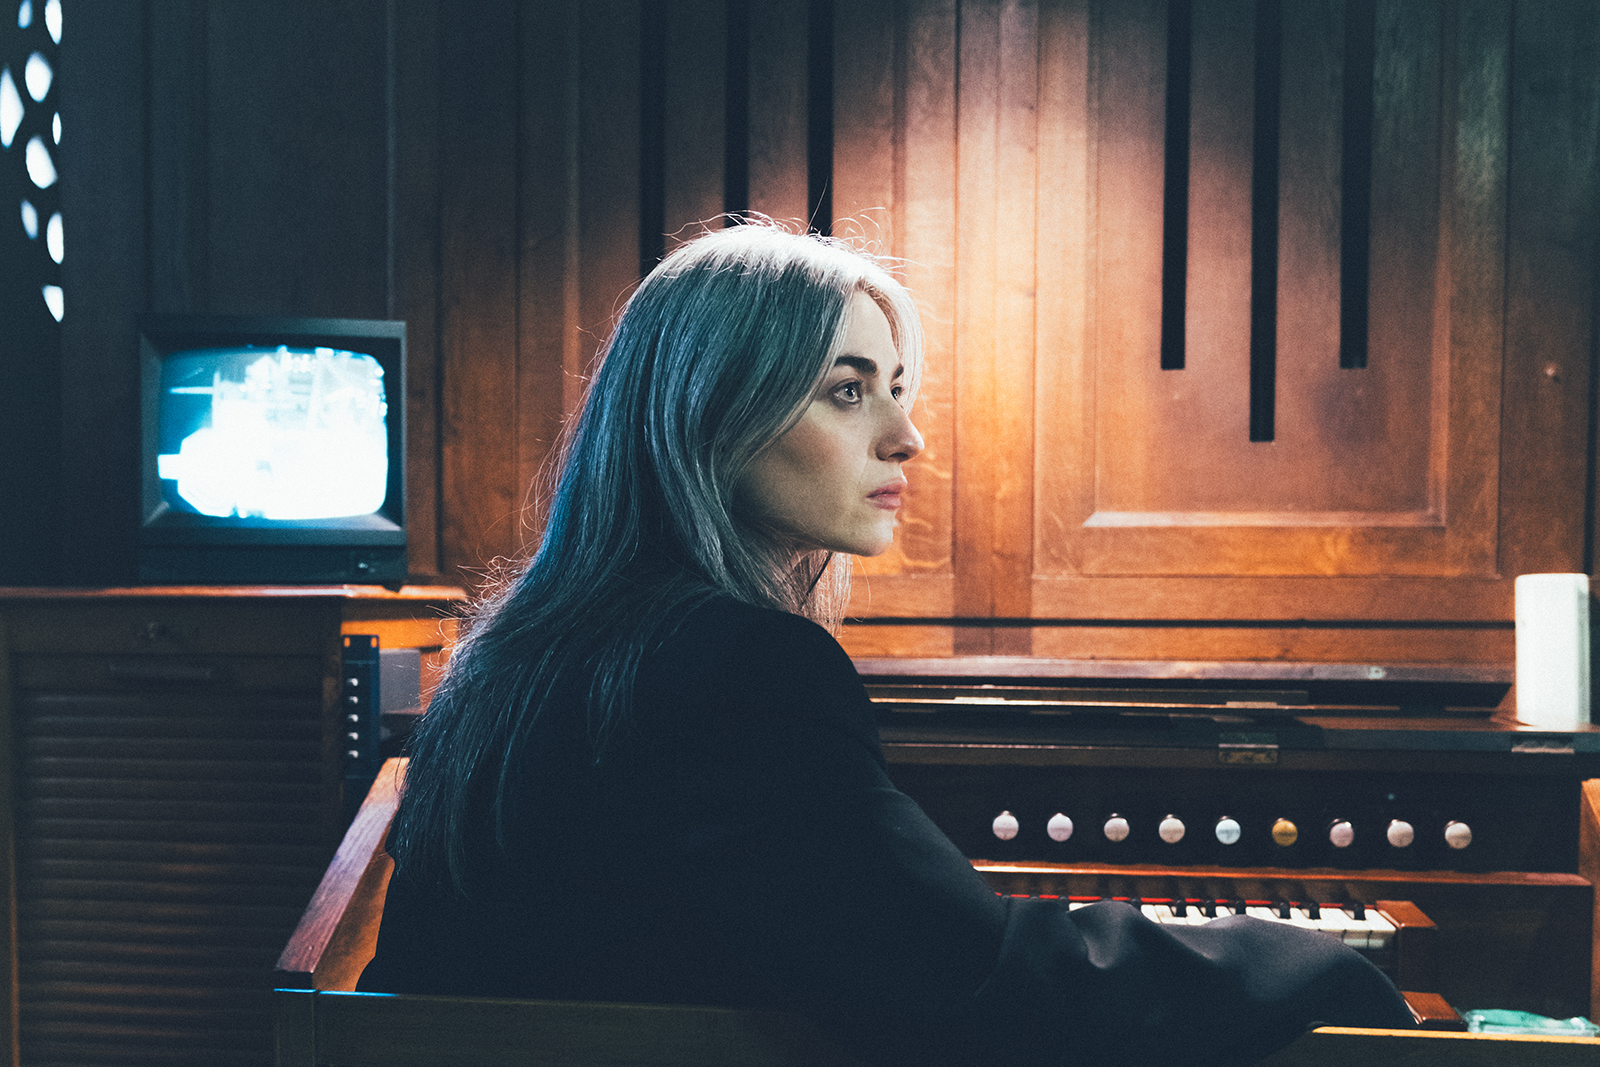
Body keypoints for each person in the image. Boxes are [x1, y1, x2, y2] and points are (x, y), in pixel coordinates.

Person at [359, 223, 1415, 1065]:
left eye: (897, 390)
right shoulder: (733, 668)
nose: (906, 436)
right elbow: (985, 991)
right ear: (710, 415)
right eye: (847, 389)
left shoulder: (515, 655)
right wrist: (1308, 963)